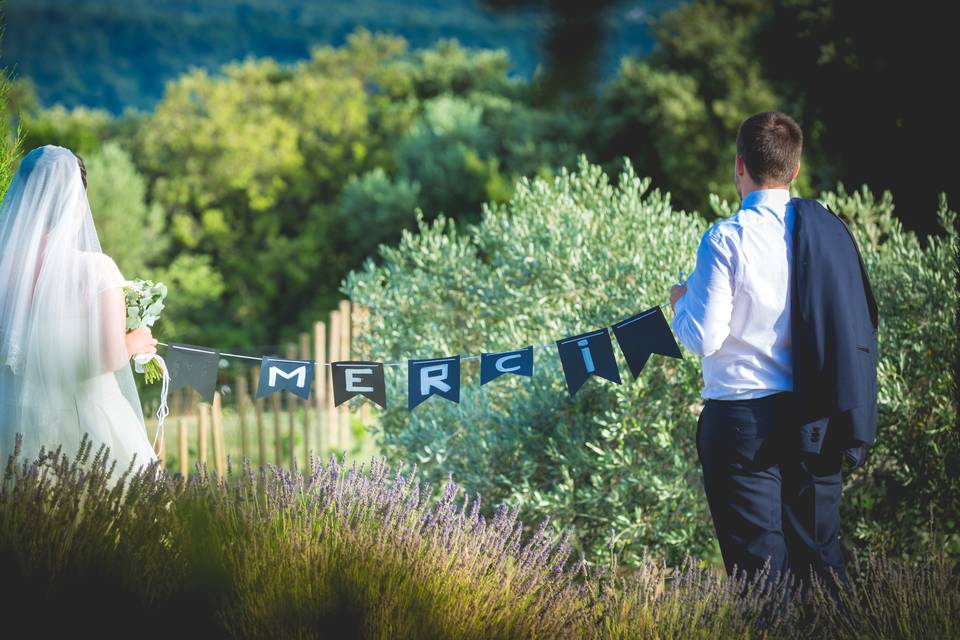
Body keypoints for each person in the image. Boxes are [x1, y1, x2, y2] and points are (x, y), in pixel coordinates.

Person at [669, 111, 878, 593]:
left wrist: (680, 304)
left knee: (763, 581)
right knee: (823, 571)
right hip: (816, 422)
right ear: (795, 170)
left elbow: (703, 338)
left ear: (738, 166)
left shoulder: (726, 239)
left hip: (743, 425)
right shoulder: (830, 233)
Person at [0, 145, 160, 478]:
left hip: (19, 423)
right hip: (87, 422)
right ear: (76, 201)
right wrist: (137, 340)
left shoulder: (5, 273)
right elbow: (110, 356)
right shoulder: (94, 271)